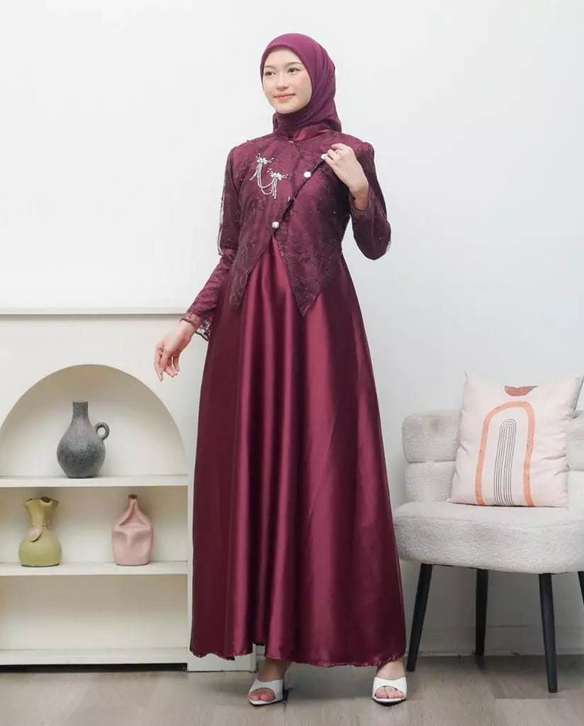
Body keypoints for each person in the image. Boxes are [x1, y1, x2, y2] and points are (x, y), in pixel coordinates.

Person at [154, 32, 408, 706]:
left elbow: (376, 245)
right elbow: (231, 252)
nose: (281, 80)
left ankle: (385, 648)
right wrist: (190, 323)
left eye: (293, 69)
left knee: (333, 475)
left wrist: (359, 189)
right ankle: (274, 654)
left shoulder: (351, 152)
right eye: (269, 71)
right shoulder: (244, 158)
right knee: (264, 480)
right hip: (248, 335)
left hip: (320, 331)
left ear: (318, 75)